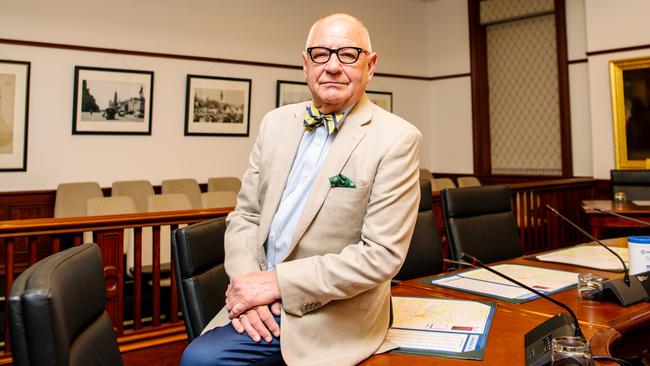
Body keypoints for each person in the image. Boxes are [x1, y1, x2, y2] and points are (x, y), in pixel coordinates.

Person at [180, 13, 422, 366]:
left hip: (334, 311)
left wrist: (278, 283)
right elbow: (246, 216)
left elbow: (381, 255)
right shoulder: (275, 123)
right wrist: (251, 284)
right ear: (306, 64)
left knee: (202, 361)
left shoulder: (397, 139)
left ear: (370, 66)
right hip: (259, 294)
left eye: (348, 54)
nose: (333, 66)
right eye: (321, 54)